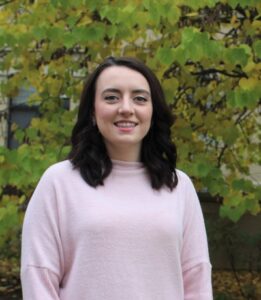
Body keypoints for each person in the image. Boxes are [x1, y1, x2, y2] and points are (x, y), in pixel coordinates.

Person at [21, 56, 213, 299]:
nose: (126, 108)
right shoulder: (59, 183)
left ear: (152, 111)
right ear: (92, 111)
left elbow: (196, 282)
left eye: (140, 98)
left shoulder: (178, 186)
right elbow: (39, 277)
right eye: (111, 97)